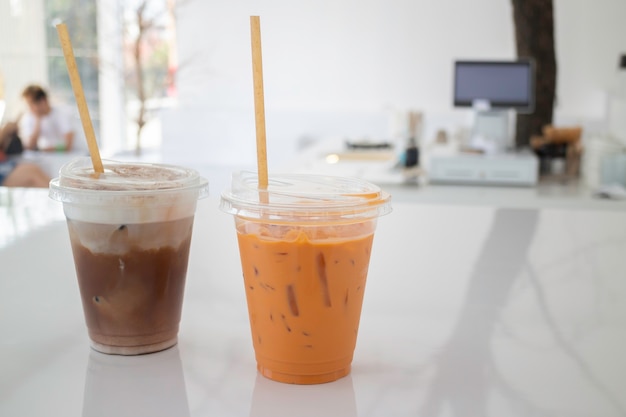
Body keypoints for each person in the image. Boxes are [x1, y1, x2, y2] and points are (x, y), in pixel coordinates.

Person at [19, 84, 75, 152]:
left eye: (31, 104)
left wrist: (46, 150)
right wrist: (38, 120)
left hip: (70, 155)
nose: (30, 109)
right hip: (48, 157)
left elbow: (68, 146)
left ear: (43, 101)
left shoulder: (61, 113)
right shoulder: (29, 117)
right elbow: (30, 146)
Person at [0, 122, 50, 188]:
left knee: (34, 169)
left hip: (8, 167)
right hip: (3, 175)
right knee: (30, 172)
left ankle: (58, 192)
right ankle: (56, 195)